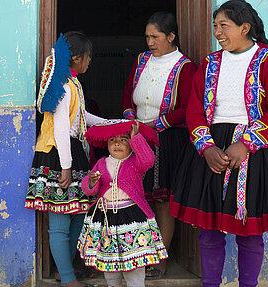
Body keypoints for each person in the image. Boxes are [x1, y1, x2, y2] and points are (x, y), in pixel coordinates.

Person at [169, 1, 268, 286]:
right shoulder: (210, 64)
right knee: (208, 230)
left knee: (249, 230)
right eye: (215, 26)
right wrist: (206, 147)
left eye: (224, 26)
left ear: (245, 28)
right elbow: (195, 109)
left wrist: (245, 144)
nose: (217, 32)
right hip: (212, 149)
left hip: (257, 152)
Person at [24, 32, 105, 287]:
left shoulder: (72, 84)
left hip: (71, 152)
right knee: (59, 219)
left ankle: (64, 271)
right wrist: (66, 167)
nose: (89, 62)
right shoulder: (63, 86)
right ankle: (68, 279)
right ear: (76, 58)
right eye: (88, 57)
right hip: (58, 154)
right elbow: (60, 128)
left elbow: (82, 118)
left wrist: (115, 124)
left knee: (79, 213)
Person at [121, 11, 197, 278]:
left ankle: (160, 258)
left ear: (171, 36)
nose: (150, 42)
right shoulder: (141, 60)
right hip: (137, 137)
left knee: (163, 199)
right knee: (136, 197)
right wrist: (131, 118)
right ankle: (137, 255)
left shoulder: (185, 67)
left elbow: (189, 108)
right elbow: (127, 95)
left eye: (155, 36)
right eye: (147, 37)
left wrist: (158, 124)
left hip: (167, 139)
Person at [77, 120, 167, 287]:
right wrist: (91, 181)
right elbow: (90, 190)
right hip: (106, 220)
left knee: (134, 260)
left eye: (123, 140)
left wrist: (136, 138)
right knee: (110, 263)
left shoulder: (136, 162)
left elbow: (148, 160)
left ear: (131, 145)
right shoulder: (101, 163)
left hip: (131, 218)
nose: (117, 143)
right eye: (112, 140)